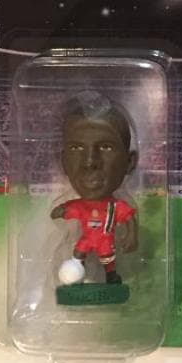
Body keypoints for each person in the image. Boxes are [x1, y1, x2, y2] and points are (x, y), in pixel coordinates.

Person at [51, 92, 138, 285]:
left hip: (105, 241)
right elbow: (70, 209)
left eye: (106, 147)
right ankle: (75, 275)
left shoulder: (115, 207)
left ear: (130, 162)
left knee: (107, 258)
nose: (90, 162)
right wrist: (61, 210)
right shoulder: (81, 205)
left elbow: (128, 218)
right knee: (78, 253)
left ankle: (111, 277)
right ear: (63, 161)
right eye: (76, 148)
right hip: (87, 239)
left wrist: (132, 235)